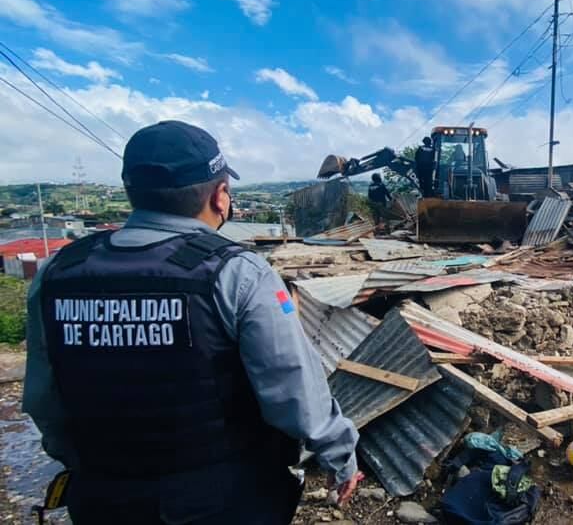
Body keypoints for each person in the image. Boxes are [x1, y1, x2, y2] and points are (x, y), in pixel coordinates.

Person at [23, 120, 362, 524]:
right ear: (221, 197)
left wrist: (83, 464)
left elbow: (44, 398)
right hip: (222, 499)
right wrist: (341, 456)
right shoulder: (238, 272)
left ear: (132, 191)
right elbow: (294, 390)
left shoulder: (59, 272)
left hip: (102, 496)